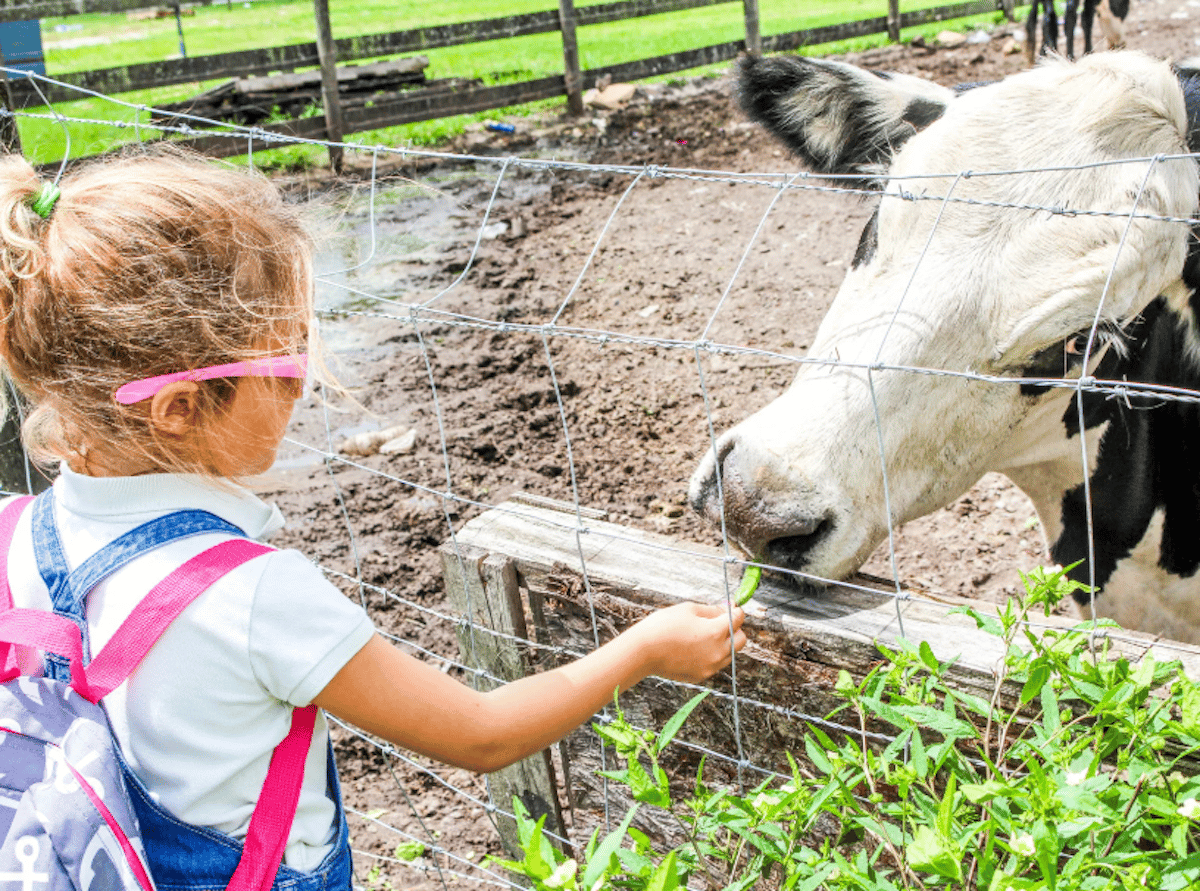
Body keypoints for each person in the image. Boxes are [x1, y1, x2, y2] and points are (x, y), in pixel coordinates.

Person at [0, 148, 748, 889]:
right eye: (286, 360)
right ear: (178, 408)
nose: (303, 385)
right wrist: (644, 650)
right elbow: (482, 734)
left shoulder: (11, 535)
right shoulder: (251, 596)